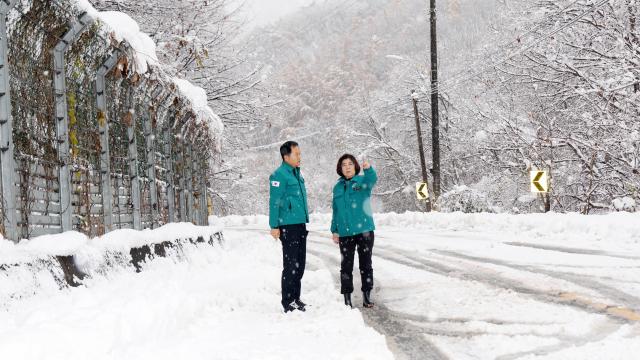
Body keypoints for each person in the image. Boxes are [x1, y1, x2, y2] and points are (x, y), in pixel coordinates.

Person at [330, 154, 378, 308]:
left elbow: (372, 179)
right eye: (344, 164)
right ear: (340, 168)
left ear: (355, 166)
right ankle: (347, 298)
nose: (347, 167)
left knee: (365, 264)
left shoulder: (363, 181)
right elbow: (335, 211)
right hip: (345, 232)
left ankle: (366, 296)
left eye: (350, 164)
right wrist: (334, 230)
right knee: (346, 266)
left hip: (364, 230)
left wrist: (368, 169)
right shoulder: (337, 187)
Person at [269, 141, 310, 313]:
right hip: (288, 226)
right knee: (291, 265)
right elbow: (274, 201)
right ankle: (288, 302)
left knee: (300, 264)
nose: (299, 157)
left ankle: (296, 298)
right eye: (296, 154)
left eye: (300, 153)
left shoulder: (296, 174)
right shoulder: (279, 175)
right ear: (286, 157)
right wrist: (274, 225)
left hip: (299, 224)